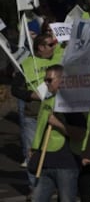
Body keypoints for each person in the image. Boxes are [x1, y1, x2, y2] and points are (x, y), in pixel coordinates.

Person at [11, 34, 63, 198]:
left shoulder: (60, 61)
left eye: (54, 44)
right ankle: (35, 187)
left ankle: (53, 185)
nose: (54, 47)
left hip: (54, 114)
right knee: (32, 152)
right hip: (33, 115)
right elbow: (15, 89)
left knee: (54, 152)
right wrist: (30, 95)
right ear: (40, 47)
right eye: (49, 45)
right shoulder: (26, 64)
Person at [30, 64, 86, 202]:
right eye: (45, 80)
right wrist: (34, 148)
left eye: (49, 80)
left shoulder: (72, 104)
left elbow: (80, 134)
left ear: (62, 80)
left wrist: (58, 124)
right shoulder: (47, 100)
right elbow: (40, 128)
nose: (46, 83)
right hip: (44, 161)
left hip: (65, 164)